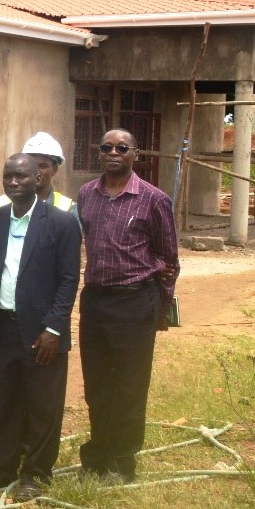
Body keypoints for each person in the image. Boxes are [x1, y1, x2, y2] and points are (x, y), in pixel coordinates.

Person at [0, 154, 81, 501]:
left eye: (22, 176)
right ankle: (2, 469)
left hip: (42, 333)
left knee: (43, 404)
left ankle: (36, 473)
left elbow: (69, 280)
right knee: (4, 402)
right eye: (9, 176)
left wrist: (54, 328)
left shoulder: (61, 223)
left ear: (38, 179)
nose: (14, 182)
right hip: (2, 327)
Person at [76, 129, 178, 482]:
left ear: (136, 153)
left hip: (135, 302)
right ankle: (97, 456)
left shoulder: (154, 199)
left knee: (130, 386)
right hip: (95, 301)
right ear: (99, 153)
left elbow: (169, 261)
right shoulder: (86, 194)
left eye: (122, 147)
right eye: (106, 147)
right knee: (96, 385)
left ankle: (122, 463)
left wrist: (160, 310)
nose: (113, 153)